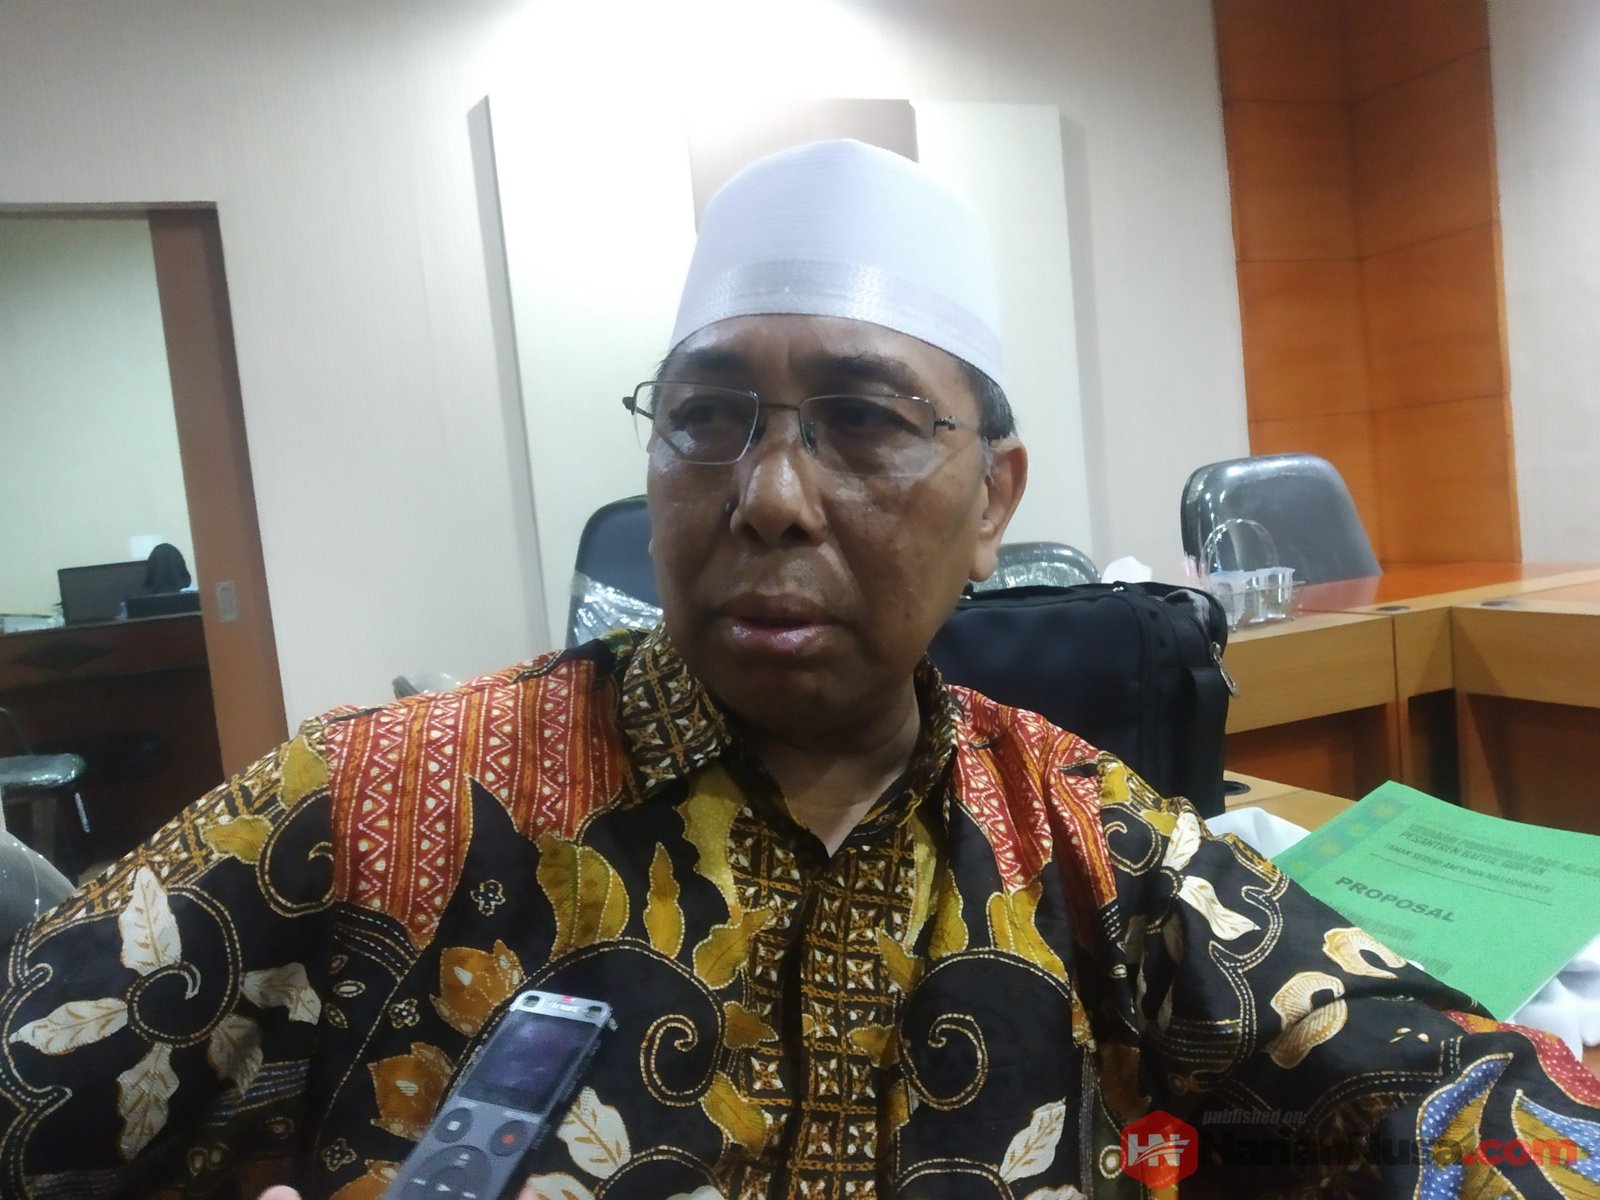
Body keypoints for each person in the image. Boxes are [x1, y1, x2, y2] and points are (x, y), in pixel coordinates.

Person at [1, 139, 1598, 1200]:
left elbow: (1472, 1114)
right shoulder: (376, 804)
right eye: (709, 417)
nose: (768, 493)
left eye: (864, 419)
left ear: (994, 503)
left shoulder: (1088, 841)